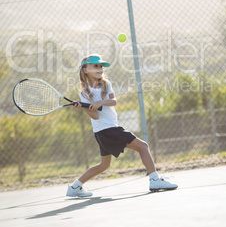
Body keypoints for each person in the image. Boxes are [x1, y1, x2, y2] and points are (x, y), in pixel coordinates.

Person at [66, 54, 178, 197]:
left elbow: (114, 102)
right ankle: (155, 179)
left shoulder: (106, 84)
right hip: (106, 130)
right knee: (143, 146)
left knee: (104, 165)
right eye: (95, 66)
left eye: (101, 66)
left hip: (108, 128)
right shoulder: (84, 93)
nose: (99, 69)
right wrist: (83, 107)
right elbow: (95, 116)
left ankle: (75, 187)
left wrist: (100, 102)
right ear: (85, 70)